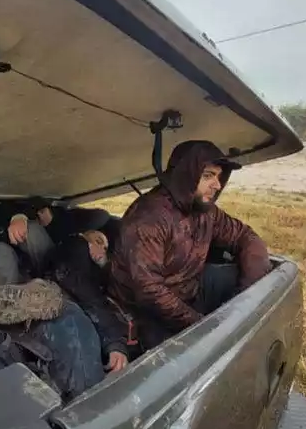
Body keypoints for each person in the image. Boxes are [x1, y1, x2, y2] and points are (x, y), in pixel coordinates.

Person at [107, 140, 272, 350]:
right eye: (208, 176)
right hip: (146, 314)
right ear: (186, 175)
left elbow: (244, 235)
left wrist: (244, 296)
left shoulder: (205, 210)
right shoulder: (149, 218)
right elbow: (149, 291)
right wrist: (201, 324)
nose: (217, 185)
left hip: (190, 292)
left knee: (245, 272)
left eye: (219, 176)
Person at [49, 230, 134, 373]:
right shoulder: (76, 246)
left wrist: (104, 264)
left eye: (105, 248)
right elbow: (86, 293)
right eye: (98, 241)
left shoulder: (98, 274)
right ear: (83, 235)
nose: (101, 248)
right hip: (65, 307)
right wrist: (114, 342)